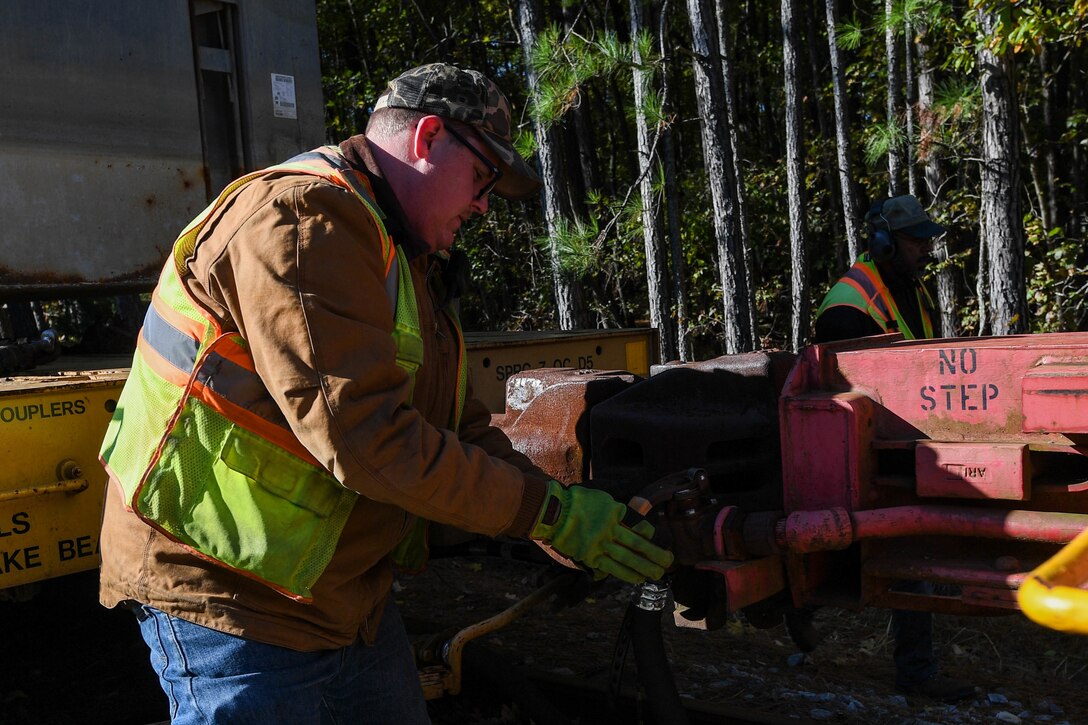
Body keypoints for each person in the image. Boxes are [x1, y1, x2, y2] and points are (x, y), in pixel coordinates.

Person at [97, 62, 673, 724]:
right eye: (483, 176)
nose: (485, 204)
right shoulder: (302, 220)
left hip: (342, 599)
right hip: (229, 600)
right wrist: (545, 513)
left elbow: (456, 428)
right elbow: (368, 441)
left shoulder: (397, 254)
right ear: (427, 138)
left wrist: (562, 511)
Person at [811, 194, 974, 702]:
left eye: (928, 238)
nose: (927, 248)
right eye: (916, 239)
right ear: (883, 241)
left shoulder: (911, 289)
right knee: (912, 555)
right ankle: (916, 674)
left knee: (907, 553)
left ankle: (803, 616)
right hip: (870, 450)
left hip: (908, 442)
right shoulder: (849, 304)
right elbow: (843, 395)